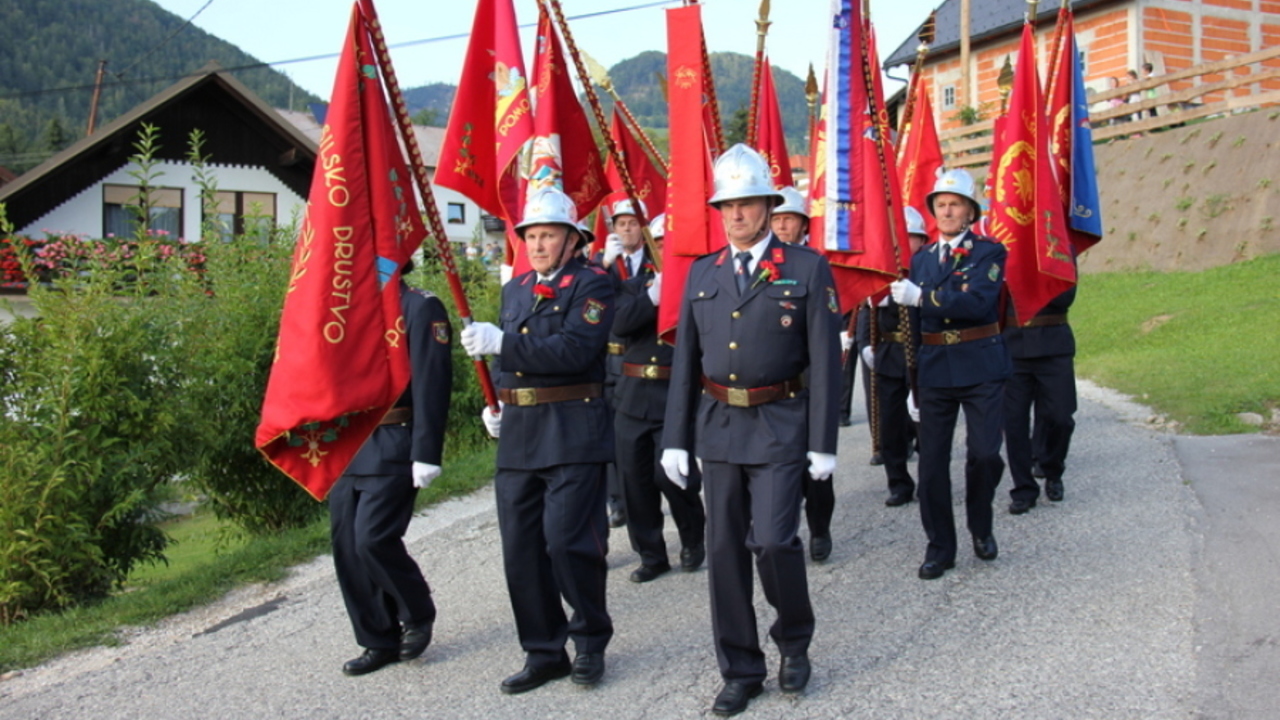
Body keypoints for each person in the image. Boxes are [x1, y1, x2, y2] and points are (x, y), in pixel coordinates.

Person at [662, 144, 841, 716]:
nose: (736, 215)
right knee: (722, 549)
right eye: (727, 205)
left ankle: (793, 640)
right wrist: (674, 437)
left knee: (771, 540)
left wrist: (823, 443)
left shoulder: (806, 268)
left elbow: (824, 360)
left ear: (768, 206)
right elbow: (685, 361)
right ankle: (740, 668)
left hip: (780, 422)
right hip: (717, 425)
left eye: (747, 204)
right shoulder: (701, 272)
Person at [460, 187, 615, 694]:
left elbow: (572, 350)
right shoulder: (517, 288)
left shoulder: (594, 285)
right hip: (521, 435)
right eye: (531, 235)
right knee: (521, 550)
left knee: (568, 543)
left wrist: (502, 343)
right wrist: (497, 402)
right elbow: (512, 360)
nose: (538, 244)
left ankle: (590, 640)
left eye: (549, 234)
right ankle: (543, 650)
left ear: (573, 239)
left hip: (573, 428)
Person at [330, 261, 453, 676]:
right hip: (349, 444)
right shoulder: (342, 310)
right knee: (347, 546)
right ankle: (376, 638)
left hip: (393, 440)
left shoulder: (419, 307)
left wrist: (427, 451)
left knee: (372, 538)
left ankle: (416, 612)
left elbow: (432, 383)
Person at [890, 168, 1010, 581]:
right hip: (935, 369)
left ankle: (981, 524)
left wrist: (923, 296)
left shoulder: (988, 253)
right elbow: (913, 324)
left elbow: (978, 303)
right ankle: (939, 545)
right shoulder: (921, 259)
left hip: (980, 362)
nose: (946, 210)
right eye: (940, 204)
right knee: (932, 464)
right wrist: (913, 384)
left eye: (954, 204)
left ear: (970, 211)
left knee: (985, 454)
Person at [612, 213, 707, 583]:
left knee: (672, 477)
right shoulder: (638, 286)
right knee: (635, 481)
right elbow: (620, 326)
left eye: (674, 243)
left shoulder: (700, 287)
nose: (667, 249)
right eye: (662, 242)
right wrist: (654, 296)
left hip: (674, 395)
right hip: (633, 397)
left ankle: (692, 538)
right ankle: (651, 554)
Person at [771, 185, 836, 561]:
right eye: (777, 218)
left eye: (789, 219)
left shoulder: (811, 263)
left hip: (808, 379)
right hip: (775, 384)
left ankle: (820, 528)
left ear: (802, 224)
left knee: (816, 466)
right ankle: (782, 531)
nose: (781, 225)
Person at [857, 207, 927, 508]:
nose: (902, 245)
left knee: (928, 425)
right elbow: (864, 308)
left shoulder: (928, 270)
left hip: (922, 355)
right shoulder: (882, 270)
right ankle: (898, 482)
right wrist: (863, 344)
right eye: (898, 239)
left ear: (921, 241)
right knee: (890, 424)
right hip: (887, 353)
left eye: (910, 238)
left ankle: (930, 480)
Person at [598, 195, 652, 530]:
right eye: (621, 224)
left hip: (640, 363)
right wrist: (604, 266)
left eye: (633, 224)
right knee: (610, 437)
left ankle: (646, 494)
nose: (627, 229)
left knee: (636, 439)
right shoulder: (602, 263)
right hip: (609, 361)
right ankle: (616, 500)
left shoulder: (653, 262)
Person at [1004, 286, 1078, 514]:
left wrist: (1031, 278)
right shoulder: (999, 250)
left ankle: (1052, 469)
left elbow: (1065, 296)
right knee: (1014, 422)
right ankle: (1023, 487)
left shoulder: (1060, 250)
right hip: (1012, 343)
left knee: (1060, 417)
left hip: (1052, 341)